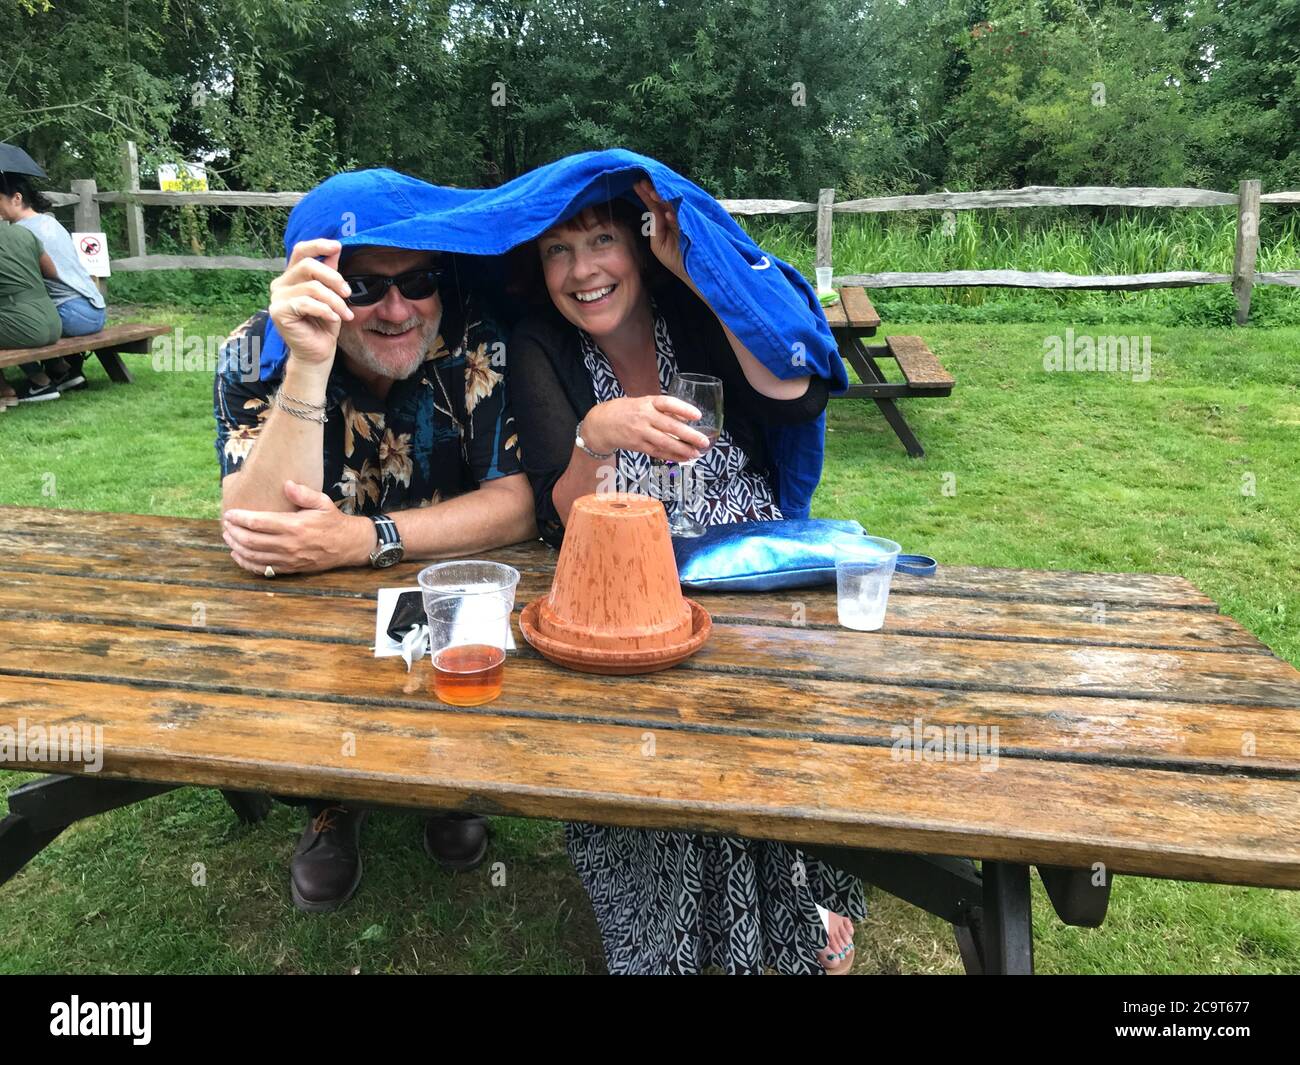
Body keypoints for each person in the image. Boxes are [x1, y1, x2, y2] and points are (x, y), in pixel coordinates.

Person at [508, 178, 863, 974]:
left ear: (638, 246)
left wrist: (704, 277)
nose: (581, 269)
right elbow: (559, 508)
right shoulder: (541, 341)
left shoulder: (692, 312)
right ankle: (679, 934)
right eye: (558, 249)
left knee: (764, 722)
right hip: (630, 580)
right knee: (655, 751)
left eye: (601, 241)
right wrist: (594, 438)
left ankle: (794, 894)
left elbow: (795, 398)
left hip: (745, 559)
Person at [214, 170, 537, 913]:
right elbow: (262, 537)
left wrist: (368, 537)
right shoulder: (249, 352)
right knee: (303, 656)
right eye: (362, 287)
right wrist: (309, 360)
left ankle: (450, 789)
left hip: (436, 572)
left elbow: (517, 504)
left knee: (460, 646)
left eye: (418, 280)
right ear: (316, 285)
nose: (397, 308)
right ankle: (330, 800)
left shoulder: (474, 337)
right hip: (307, 589)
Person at [0, 172, 106, 396]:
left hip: (71, 311)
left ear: (16, 198)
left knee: (17, 319)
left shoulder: (22, 232)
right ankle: (64, 372)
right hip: (94, 307)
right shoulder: (49, 221)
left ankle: (38, 381)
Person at [0, 204, 61, 405]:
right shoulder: (23, 232)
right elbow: (51, 272)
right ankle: (40, 379)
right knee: (11, 323)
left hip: (24, 325)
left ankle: (4, 391)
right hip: (52, 322)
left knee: (13, 323)